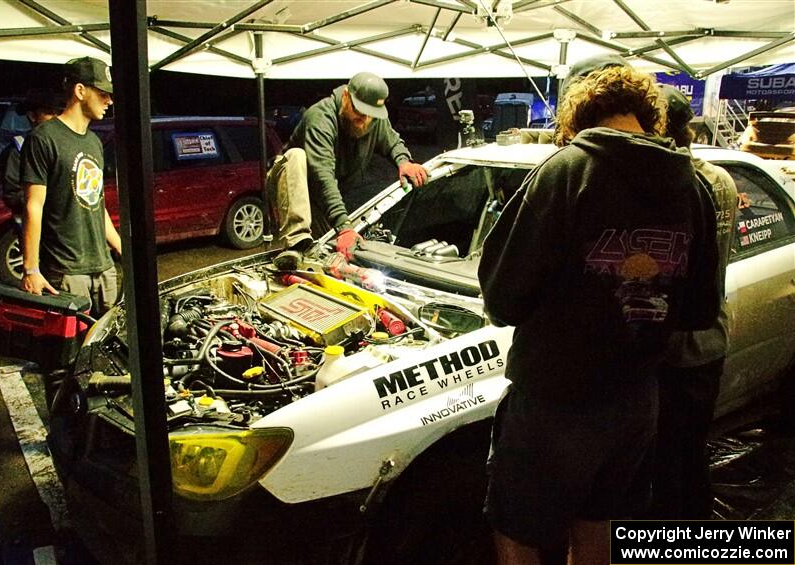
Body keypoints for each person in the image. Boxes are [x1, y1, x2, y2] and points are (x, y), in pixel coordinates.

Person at [479, 65, 721, 565]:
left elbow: (502, 297)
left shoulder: (564, 172)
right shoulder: (691, 185)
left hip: (554, 400)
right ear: (647, 118)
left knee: (520, 529)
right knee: (600, 524)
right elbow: (699, 308)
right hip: (636, 400)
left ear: (579, 118)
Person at [650, 84, 738, 519]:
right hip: (710, 341)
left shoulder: (673, 184)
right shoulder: (719, 178)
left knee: (663, 464)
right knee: (689, 454)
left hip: (672, 350)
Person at [267, 71, 428, 269]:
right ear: (345, 96)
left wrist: (404, 161)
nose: (365, 120)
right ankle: (296, 242)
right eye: (359, 112)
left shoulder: (373, 118)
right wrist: (344, 227)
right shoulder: (320, 118)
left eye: (371, 115)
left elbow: (392, 141)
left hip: (321, 201)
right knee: (296, 155)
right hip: (289, 190)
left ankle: (308, 247)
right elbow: (322, 175)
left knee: (329, 253)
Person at [20, 56, 121, 316]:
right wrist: (31, 269)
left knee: (107, 347)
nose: (109, 101)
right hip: (66, 271)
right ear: (79, 91)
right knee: (71, 351)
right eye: (102, 94)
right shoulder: (44, 139)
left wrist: (122, 249)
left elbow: (96, 204)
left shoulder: (95, 143)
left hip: (104, 267)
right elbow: (34, 206)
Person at [1, 88, 63, 219]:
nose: (55, 118)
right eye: (49, 113)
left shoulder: (65, 144)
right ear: (32, 116)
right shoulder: (19, 149)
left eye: (58, 113)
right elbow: (13, 194)